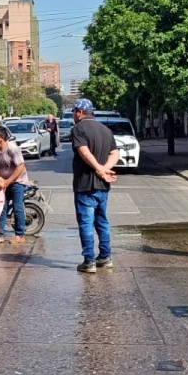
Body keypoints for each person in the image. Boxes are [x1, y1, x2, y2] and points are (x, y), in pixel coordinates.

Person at [69, 99, 119, 273]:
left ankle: (89, 261)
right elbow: (115, 153)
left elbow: (84, 152)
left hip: (85, 185)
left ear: (80, 112)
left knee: (86, 223)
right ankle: (105, 257)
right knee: (102, 222)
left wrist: (99, 169)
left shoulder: (78, 129)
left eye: (74, 111)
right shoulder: (106, 130)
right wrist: (105, 170)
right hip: (103, 186)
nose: (73, 115)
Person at [0, 125, 29, 243]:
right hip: (2, 183)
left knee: (17, 207)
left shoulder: (13, 149)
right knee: (1, 207)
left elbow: (20, 166)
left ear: (1, 138)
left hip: (18, 181)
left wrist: (8, 181)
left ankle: (20, 235)